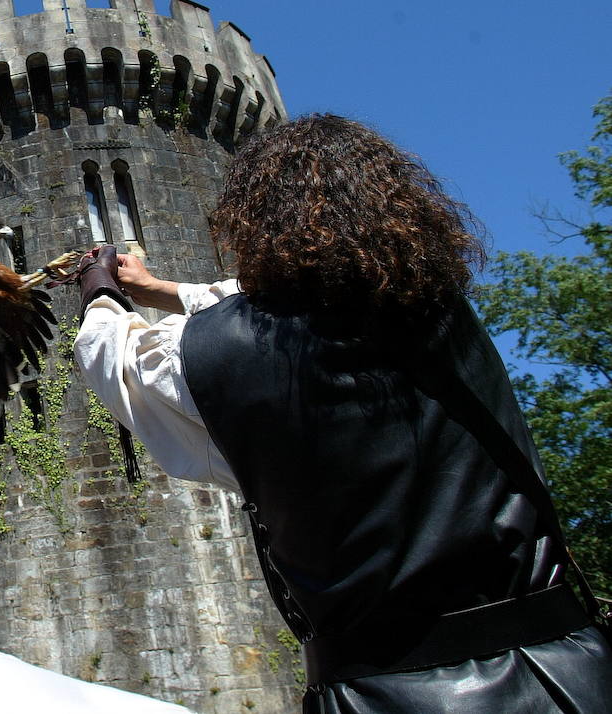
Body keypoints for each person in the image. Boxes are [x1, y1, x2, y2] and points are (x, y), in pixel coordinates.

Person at [73, 114, 611, 713]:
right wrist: (168, 290)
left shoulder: (223, 355)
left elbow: (117, 361)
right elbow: (291, 304)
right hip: (567, 676)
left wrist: (101, 295)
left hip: (386, 694)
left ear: (255, 222)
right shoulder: (441, 316)